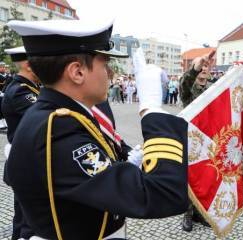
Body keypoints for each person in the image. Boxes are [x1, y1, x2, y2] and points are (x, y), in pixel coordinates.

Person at [6, 18, 188, 239]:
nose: (110, 74)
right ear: (77, 72)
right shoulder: (57, 130)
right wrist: (152, 110)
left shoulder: (65, 115)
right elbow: (163, 195)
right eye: (105, 64)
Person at [2, 46, 40, 240]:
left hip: (29, 162)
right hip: (25, 164)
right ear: (28, 65)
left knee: (25, 218)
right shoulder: (20, 91)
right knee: (27, 222)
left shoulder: (31, 88)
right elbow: (43, 120)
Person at [179, 53, 213, 232]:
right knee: (190, 178)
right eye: (201, 66)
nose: (204, 69)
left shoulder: (213, 88)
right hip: (191, 139)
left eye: (206, 67)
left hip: (209, 140)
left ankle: (200, 213)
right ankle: (187, 213)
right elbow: (184, 83)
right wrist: (194, 67)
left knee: (205, 178)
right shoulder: (188, 88)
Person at [0, 61, 10, 130]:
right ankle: (0, 122)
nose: (3, 68)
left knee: (4, 107)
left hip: (5, 94)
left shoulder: (7, 76)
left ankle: (4, 121)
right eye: (1, 67)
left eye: (4, 67)